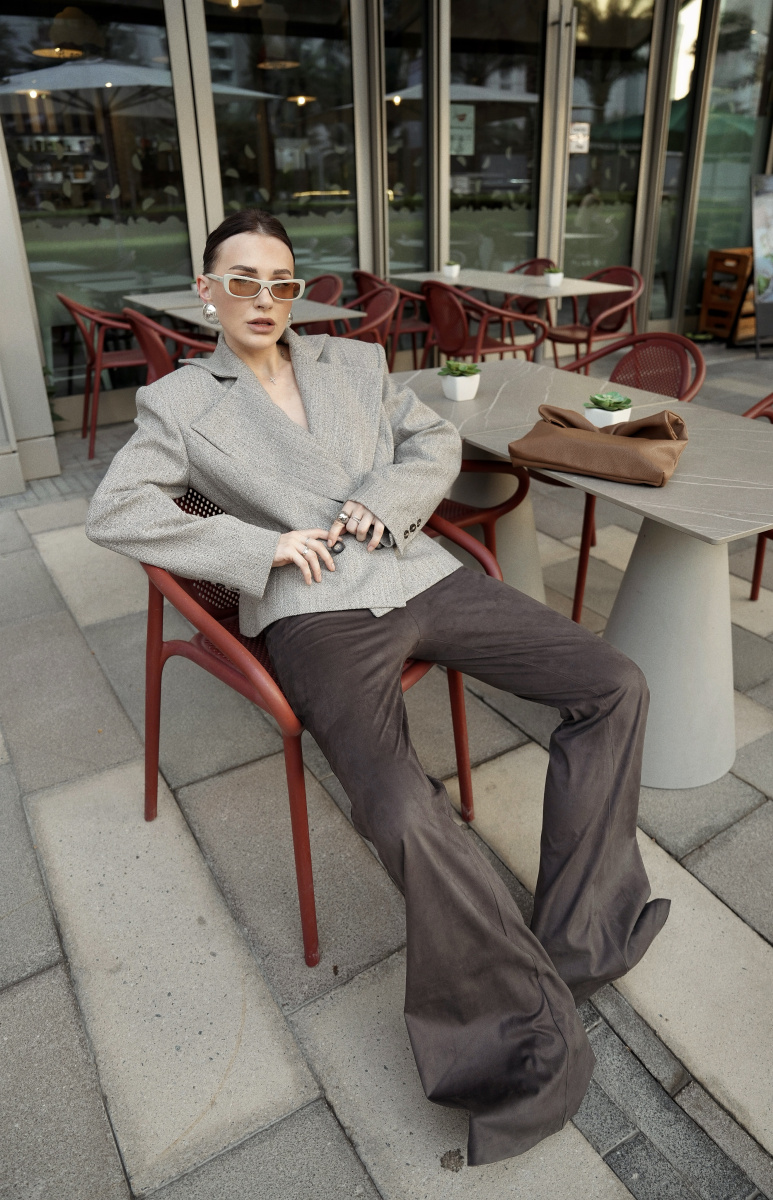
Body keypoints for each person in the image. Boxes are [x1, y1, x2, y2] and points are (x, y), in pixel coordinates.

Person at [87, 208, 670, 1168]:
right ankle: (511, 1027)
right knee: (398, 806)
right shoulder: (179, 401)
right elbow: (116, 509)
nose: (264, 299)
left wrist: (383, 502)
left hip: (419, 571)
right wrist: (257, 546)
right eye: (242, 281)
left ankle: (581, 935)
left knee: (614, 681)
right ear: (207, 291)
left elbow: (431, 444)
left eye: (280, 282)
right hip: (315, 612)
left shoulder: (354, 362)